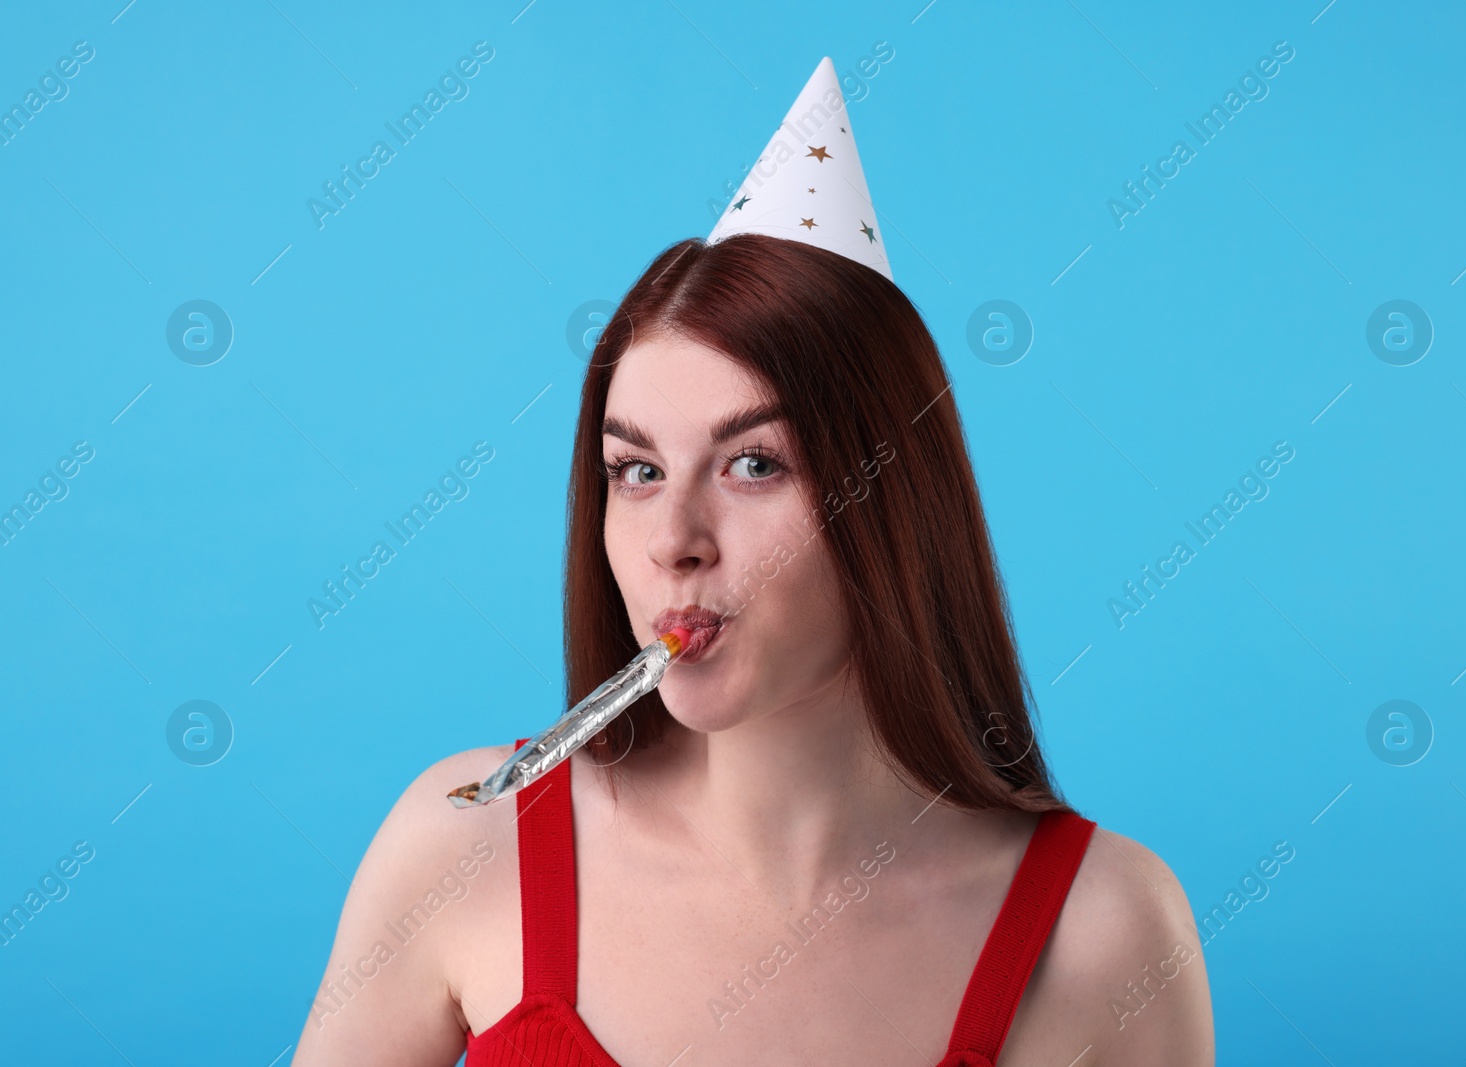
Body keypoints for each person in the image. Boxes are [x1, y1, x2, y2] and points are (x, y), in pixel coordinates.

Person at [293, 57, 1213, 1067]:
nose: (672, 536)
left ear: (891, 498)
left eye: (753, 462)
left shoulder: (1105, 929)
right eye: (635, 468)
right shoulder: (462, 847)